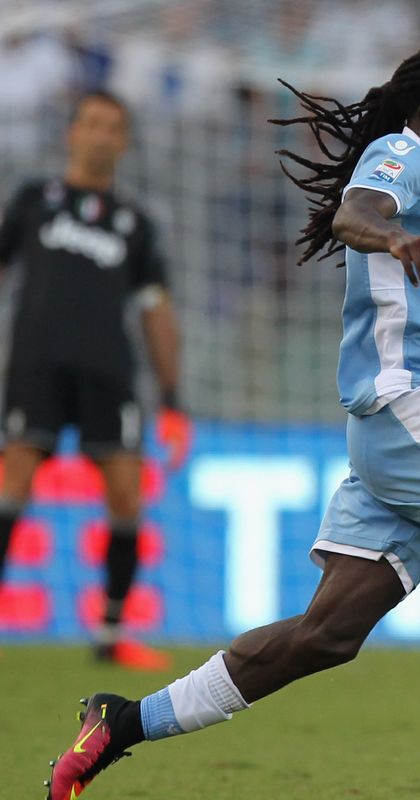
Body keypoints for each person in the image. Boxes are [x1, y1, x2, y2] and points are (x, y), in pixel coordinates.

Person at [44, 44, 420, 800]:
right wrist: (393, 235)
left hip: (419, 428)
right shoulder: (401, 154)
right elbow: (355, 213)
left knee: (327, 636)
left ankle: (120, 722)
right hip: (418, 410)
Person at [0, 89, 191, 670]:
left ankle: (110, 633)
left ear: (124, 141)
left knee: (127, 494)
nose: (101, 135)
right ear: (72, 133)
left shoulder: (136, 224)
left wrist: (172, 398)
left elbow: (156, 309)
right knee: (14, 483)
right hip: (36, 365)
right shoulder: (35, 200)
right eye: (91, 124)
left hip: (109, 372)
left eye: (112, 127)